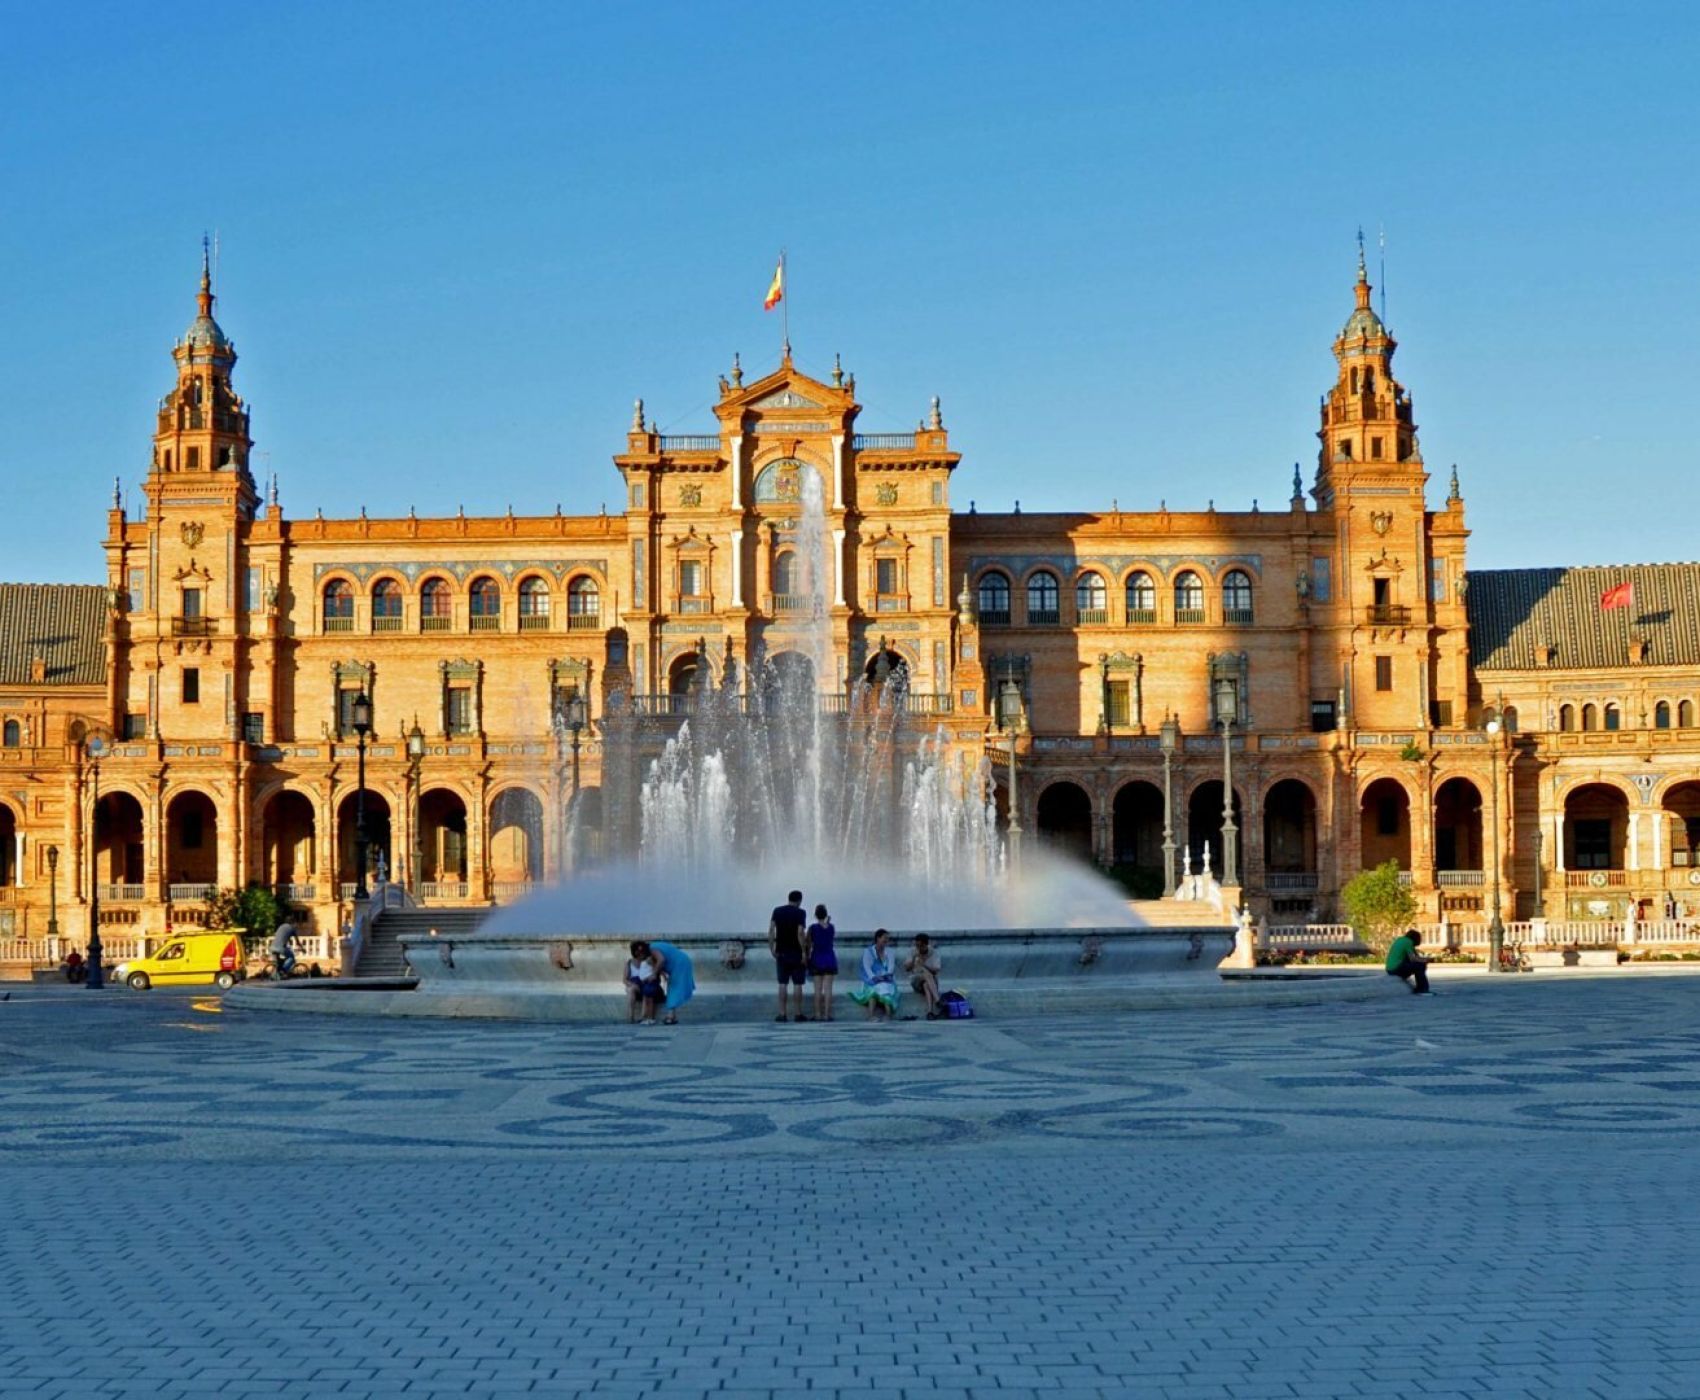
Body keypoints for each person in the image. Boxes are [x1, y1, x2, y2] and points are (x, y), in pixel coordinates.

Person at [769, 889, 809, 1022]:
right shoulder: (800, 913)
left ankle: (782, 1014)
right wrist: (804, 952)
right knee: (798, 984)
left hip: (781, 952)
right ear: (799, 900)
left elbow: (771, 930)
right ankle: (798, 1013)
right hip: (796, 953)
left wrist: (772, 948)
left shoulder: (777, 911)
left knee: (782, 983)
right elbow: (800, 932)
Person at [849, 929, 900, 1020]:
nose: (886, 940)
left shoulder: (890, 952)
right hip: (871, 980)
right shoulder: (868, 952)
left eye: (887, 938)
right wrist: (875, 977)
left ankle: (888, 1015)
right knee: (872, 992)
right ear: (878, 938)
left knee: (886, 991)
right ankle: (871, 1015)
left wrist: (885, 977)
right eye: (884, 938)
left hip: (887, 979)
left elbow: (891, 967)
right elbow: (867, 967)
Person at [806, 903, 838, 1022]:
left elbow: (808, 943)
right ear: (826, 914)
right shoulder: (831, 927)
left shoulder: (813, 928)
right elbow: (828, 934)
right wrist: (827, 921)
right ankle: (827, 1014)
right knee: (828, 989)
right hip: (829, 958)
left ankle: (817, 1014)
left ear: (815, 915)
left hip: (817, 958)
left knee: (818, 990)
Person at [651, 940, 695, 1025]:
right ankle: (672, 1016)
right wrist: (662, 973)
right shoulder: (654, 946)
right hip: (682, 962)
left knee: (673, 988)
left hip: (679, 965)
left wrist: (654, 973)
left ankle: (670, 1016)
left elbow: (661, 960)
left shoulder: (652, 949)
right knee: (673, 987)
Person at [624, 940, 663, 1024]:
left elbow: (657, 973)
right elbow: (625, 979)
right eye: (637, 951)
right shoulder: (629, 962)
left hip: (648, 985)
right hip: (636, 986)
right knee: (631, 989)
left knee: (647, 991)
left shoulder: (649, 960)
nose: (640, 953)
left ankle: (644, 1017)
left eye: (641, 951)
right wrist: (632, 984)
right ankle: (631, 1017)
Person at [904, 934, 944, 1018]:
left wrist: (924, 964)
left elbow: (936, 970)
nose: (919, 948)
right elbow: (906, 968)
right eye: (917, 945)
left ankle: (930, 1012)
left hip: (932, 982)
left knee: (926, 984)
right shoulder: (912, 952)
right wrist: (914, 959)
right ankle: (937, 1000)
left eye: (921, 946)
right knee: (926, 975)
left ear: (926, 945)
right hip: (916, 980)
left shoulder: (933, 953)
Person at [1386, 927, 1431, 995]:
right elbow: (1413, 958)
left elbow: (1414, 957)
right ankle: (1422, 989)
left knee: (1418, 964)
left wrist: (1423, 959)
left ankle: (1420, 988)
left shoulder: (1400, 940)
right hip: (1396, 969)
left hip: (1390, 969)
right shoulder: (1408, 942)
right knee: (1420, 966)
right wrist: (1426, 960)